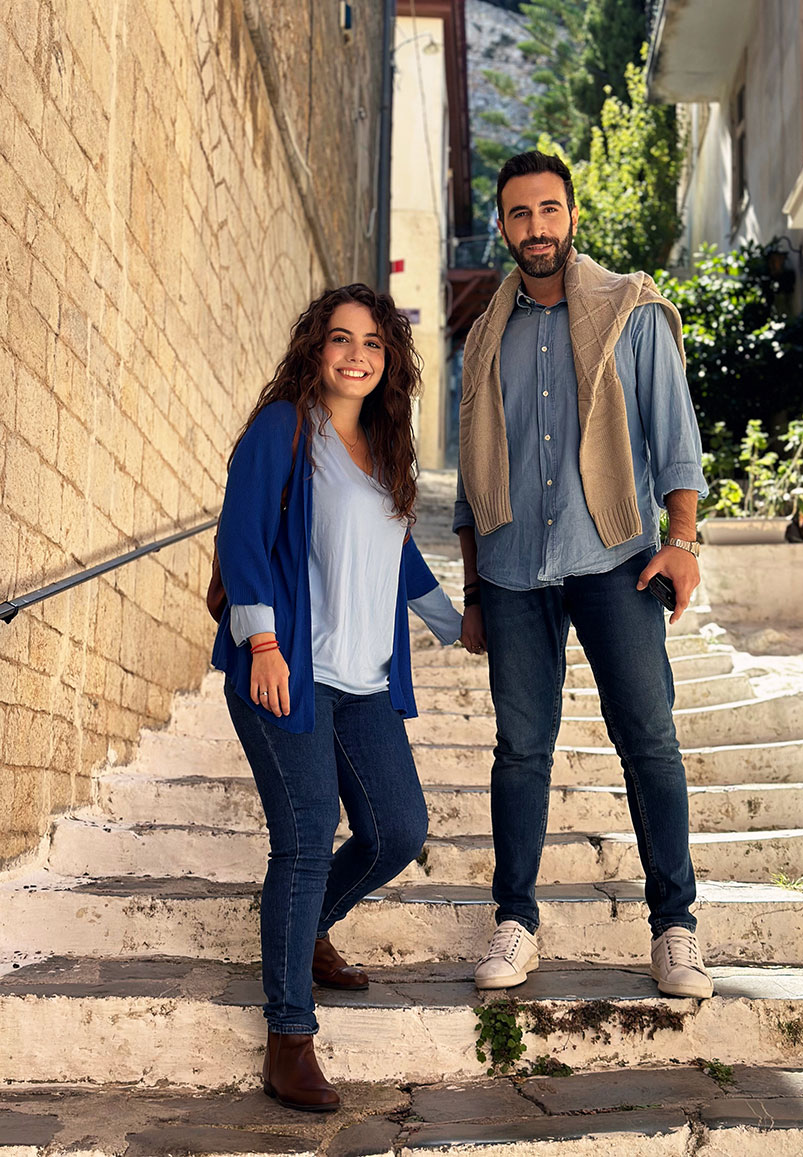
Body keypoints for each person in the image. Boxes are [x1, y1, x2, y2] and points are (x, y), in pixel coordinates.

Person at [455, 151, 713, 1000]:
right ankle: (515, 921)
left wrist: (684, 539)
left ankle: (675, 927)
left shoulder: (630, 310)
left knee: (649, 739)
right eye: (519, 213)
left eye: (549, 209)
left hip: (615, 558)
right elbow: (470, 476)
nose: (536, 227)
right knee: (519, 750)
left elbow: (673, 433)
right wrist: (473, 588)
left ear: (571, 216)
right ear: (503, 226)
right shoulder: (484, 335)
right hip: (511, 568)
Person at [212, 284, 462, 1112]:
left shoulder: (386, 446)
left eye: (374, 343)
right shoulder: (285, 426)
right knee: (308, 833)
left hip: (366, 683)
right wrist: (263, 642)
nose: (357, 355)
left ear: (390, 358)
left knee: (398, 829)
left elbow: (398, 556)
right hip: (287, 670)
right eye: (341, 339)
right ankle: (289, 1036)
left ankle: (306, 925)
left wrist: (457, 624)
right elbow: (242, 534)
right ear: (316, 348)